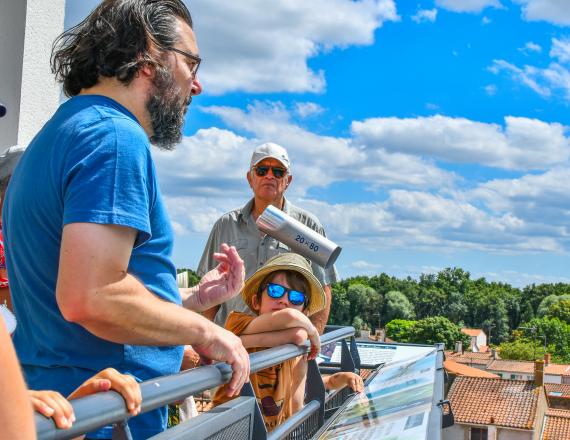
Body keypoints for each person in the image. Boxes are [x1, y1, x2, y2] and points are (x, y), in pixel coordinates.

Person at [3, 1, 249, 438]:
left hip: (58, 404)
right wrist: (206, 333)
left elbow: (79, 287)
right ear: (150, 55)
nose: (198, 85)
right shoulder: (114, 136)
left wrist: (189, 300)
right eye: (192, 63)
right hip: (99, 416)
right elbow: (92, 296)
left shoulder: (60, 132)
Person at [198, 142, 338, 333]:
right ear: (250, 178)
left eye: (278, 171)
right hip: (231, 339)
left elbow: (323, 289)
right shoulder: (226, 224)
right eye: (262, 170)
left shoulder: (308, 226)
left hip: (283, 345)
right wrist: (204, 341)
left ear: (288, 180)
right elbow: (210, 288)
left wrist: (311, 343)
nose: (270, 176)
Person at [212, 253, 324, 431]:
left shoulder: (295, 349)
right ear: (256, 302)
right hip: (228, 430)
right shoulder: (238, 322)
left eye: (296, 298)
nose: (284, 300)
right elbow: (292, 321)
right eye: (275, 291)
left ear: (306, 311)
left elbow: (296, 407)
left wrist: (241, 341)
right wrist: (312, 331)